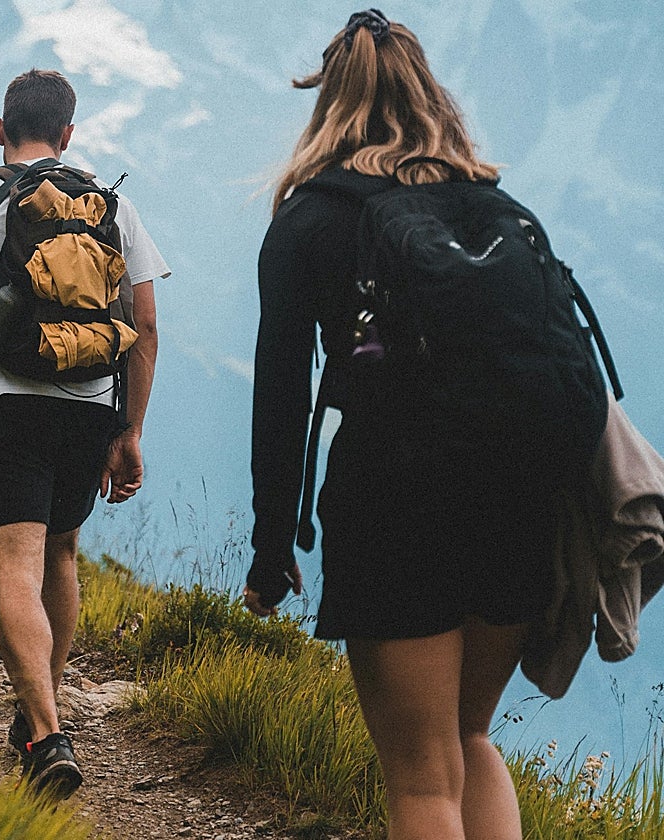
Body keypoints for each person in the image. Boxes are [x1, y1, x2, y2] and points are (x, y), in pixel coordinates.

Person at [245, 11, 558, 839]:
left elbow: (280, 399)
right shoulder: (490, 207)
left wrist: (273, 549)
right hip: (522, 499)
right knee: (471, 735)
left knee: (421, 780)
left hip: (394, 503)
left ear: (328, 101)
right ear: (431, 96)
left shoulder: (309, 220)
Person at [0, 69, 168, 799]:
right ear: (68, 135)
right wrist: (131, 430)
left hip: (7, 405)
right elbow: (145, 325)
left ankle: (47, 728)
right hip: (91, 405)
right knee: (61, 550)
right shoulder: (113, 206)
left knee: (13, 566)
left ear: (0, 130)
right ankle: (38, 718)